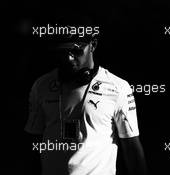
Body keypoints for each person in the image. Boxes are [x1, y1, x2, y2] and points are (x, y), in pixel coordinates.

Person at [24, 17, 147, 175]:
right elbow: (33, 143)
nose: (69, 58)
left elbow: (132, 150)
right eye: (64, 51)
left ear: (93, 45)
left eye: (76, 51)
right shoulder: (41, 86)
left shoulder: (118, 88)